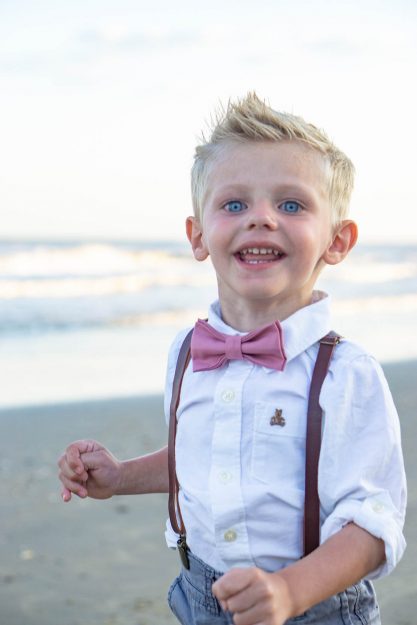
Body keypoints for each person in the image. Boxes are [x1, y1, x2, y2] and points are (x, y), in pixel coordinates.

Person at [58, 93, 406, 625]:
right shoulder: (186, 353)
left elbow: (374, 522)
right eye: (234, 204)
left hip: (315, 606)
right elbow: (205, 460)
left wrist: (291, 591)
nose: (261, 219)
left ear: (337, 241)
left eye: (291, 205)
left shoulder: (346, 374)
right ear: (198, 236)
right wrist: (120, 477)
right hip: (200, 596)